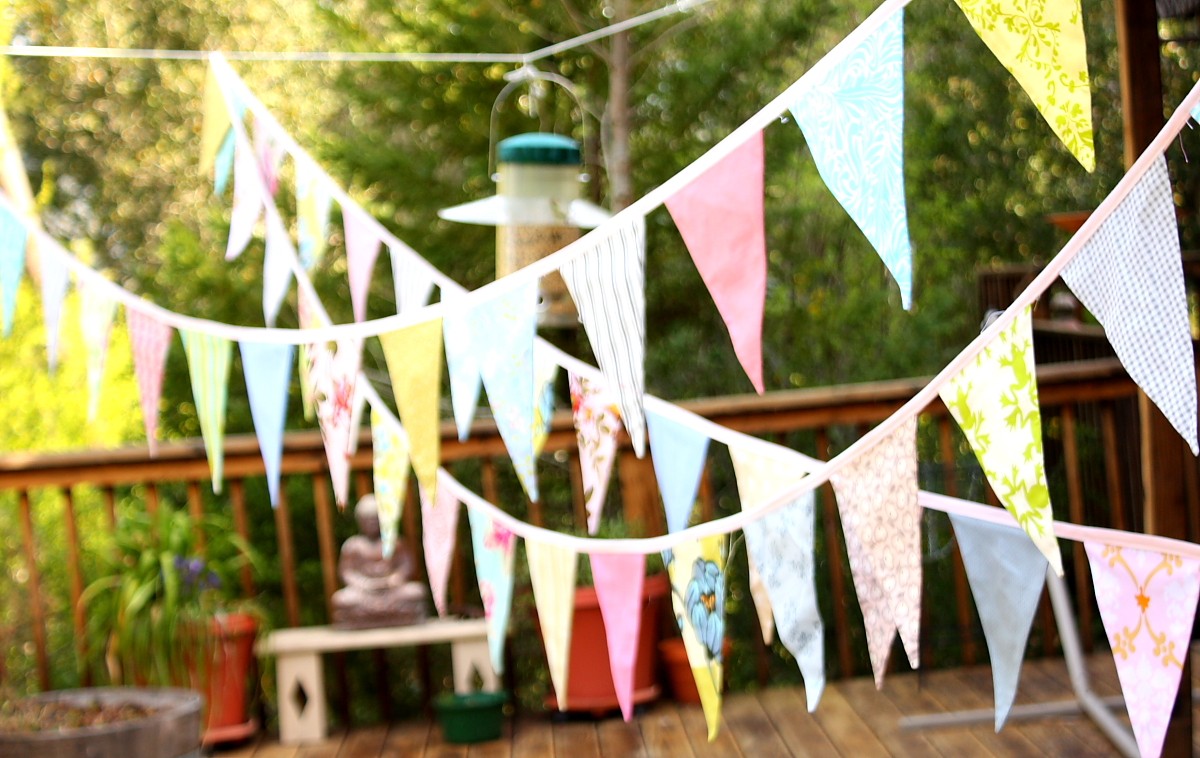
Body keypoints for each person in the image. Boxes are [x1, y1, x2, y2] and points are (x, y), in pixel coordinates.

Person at [331, 495, 428, 629]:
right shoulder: (353, 546)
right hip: (364, 591)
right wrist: (363, 583)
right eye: (367, 520)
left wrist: (395, 578)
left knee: (416, 592)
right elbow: (347, 572)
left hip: (392, 590)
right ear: (360, 521)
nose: (372, 523)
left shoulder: (396, 542)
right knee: (341, 599)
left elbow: (406, 566)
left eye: (375, 519)